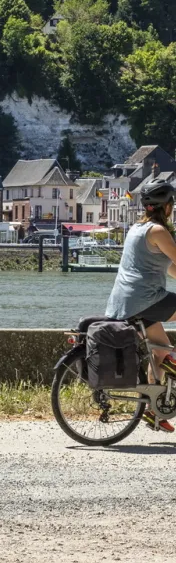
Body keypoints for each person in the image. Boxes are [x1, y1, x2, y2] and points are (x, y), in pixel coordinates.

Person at [105, 179, 176, 432]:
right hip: (145, 300)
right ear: (166, 207)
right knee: (164, 351)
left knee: (160, 349)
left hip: (125, 302)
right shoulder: (158, 231)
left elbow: (167, 266)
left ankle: (153, 410)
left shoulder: (137, 228)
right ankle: (172, 362)